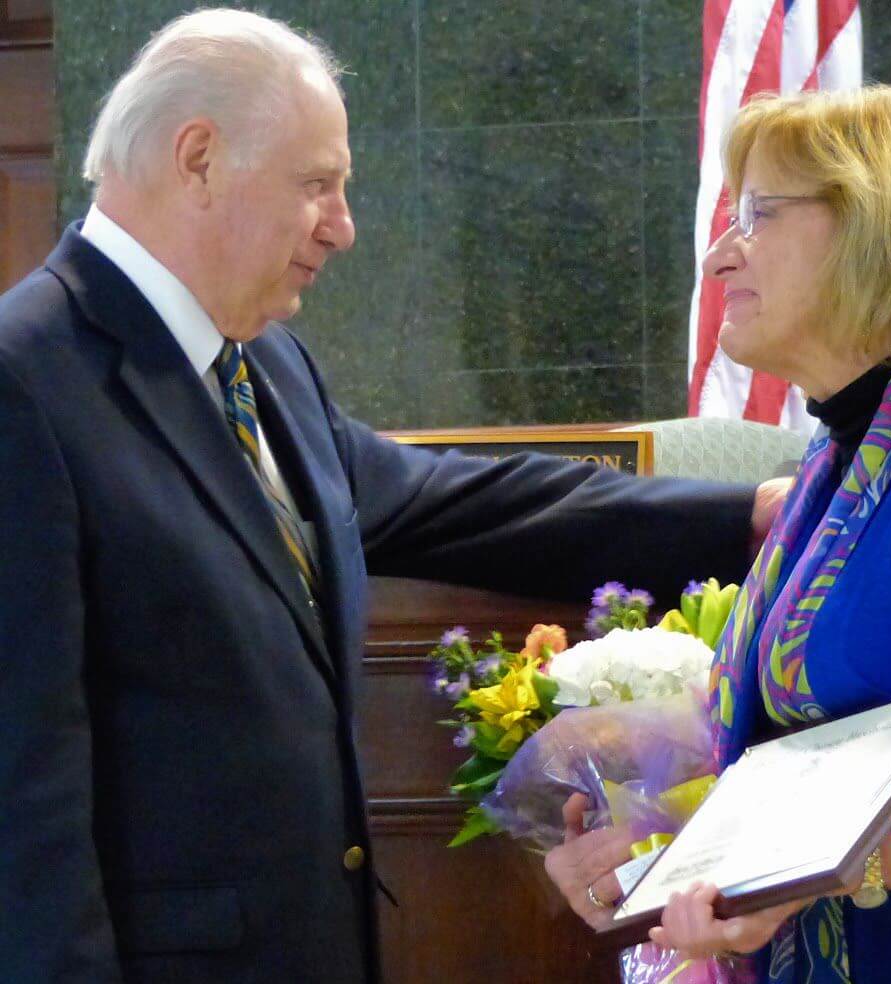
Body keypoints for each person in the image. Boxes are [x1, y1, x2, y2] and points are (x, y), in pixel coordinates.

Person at [0, 9, 789, 984]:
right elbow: (21, 800)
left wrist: (745, 516)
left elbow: (458, 503)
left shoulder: (265, 366)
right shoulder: (25, 381)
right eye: (316, 185)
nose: (342, 225)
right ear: (197, 157)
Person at [546, 85, 891, 982]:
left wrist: (813, 874)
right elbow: (809, 752)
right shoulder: (842, 454)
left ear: (877, 227)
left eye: (757, 214)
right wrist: (661, 847)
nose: (718, 256)